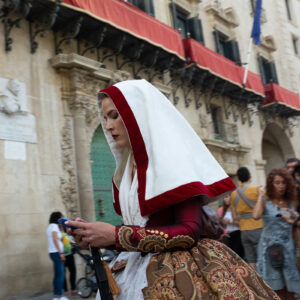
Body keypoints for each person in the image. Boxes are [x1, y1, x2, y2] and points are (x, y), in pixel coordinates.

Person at [67, 80, 278, 299]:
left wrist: (117, 235)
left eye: (114, 115)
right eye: (106, 118)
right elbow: (141, 225)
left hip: (177, 273)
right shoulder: (126, 170)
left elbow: (188, 232)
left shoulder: (172, 161)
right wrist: (96, 235)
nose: (108, 126)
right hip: (131, 268)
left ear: (138, 114)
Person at [252, 169, 300, 299]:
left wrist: (296, 246)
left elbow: (293, 225)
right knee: (276, 289)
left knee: (290, 288)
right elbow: (255, 215)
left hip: (288, 248)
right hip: (269, 249)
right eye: (277, 182)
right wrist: (261, 196)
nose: (281, 186)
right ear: (271, 184)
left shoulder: (291, 202)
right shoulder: (265, 201)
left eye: (283, 182)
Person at [230, 166, 263, 269]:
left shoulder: (234, 194)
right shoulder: (257, 189)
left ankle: (256, 283)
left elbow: (234, 216)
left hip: (244, 230)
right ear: (250, 176)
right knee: (262, 257)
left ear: (238, 179)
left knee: (251, 260)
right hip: (258, 226)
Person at [47, 212, 69, 300]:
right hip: (56, 253)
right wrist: (60, 253)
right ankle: (58, 296)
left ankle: (57, 295)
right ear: (57, 218)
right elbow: (55, 239)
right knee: (60, 274)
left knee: (58, 274)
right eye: (61, 218)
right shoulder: (54, 227)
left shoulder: (51, 226)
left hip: (54, 252)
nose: (62, 220)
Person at [62, 231, 77, 296]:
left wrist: (72, 245)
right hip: (62, 256)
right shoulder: (58, 232)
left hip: (70, 255)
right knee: (63, 273)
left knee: (73, 271)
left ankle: (73, 289)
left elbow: (73, 241)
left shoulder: (68, 233)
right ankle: (65, 290)